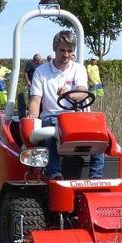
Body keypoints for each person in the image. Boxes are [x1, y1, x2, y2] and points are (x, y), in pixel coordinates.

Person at [27, 31, 104, 180]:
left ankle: (97, 177)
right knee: (51, 131)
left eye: (70, 51)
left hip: (78, 117)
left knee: (102, 132)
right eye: (62, 50)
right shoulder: (41, 72)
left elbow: (82, 92)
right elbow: (36, 100)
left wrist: (68, 93)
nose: (66, 54)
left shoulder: (78, 69)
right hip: (52, 115)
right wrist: (32, 116)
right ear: (54, 48)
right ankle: (54, 174)